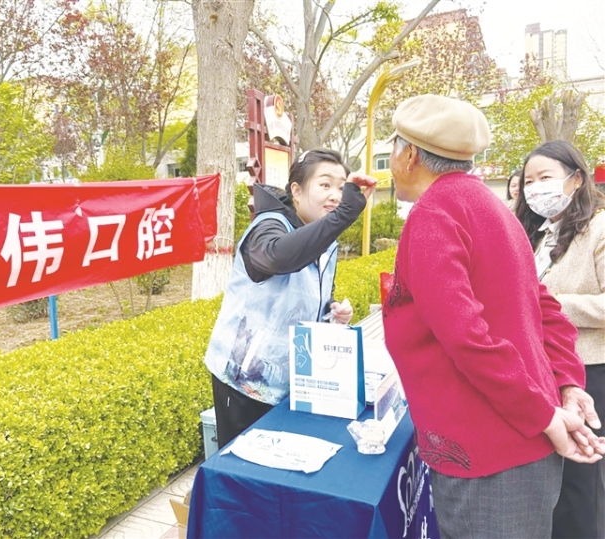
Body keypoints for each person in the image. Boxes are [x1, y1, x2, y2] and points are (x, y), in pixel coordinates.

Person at [380, 94, 605, 539]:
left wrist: (544, 414)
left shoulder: (433, 214)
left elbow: (467, 338)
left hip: (489, 453)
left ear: (410, 156)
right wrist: (566, 383)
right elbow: (543, 307)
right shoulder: (493, 208)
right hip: (524, 443)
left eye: (393, 148)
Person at [203, 149, 377, 448]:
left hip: (294, 379)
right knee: (244, 463)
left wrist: (332, 308)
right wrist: (344, 215)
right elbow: (277, 258)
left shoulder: (323, 237)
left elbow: (308, 290)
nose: (335, 195)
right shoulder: (267, 226)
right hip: (244, 379)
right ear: (296, 190)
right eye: (325, 185)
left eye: (341, 187)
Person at [515, 140, 605, 539]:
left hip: (589, 372)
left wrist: (549, 304)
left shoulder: (599, 228)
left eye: (545, 178)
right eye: (529, 181)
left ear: (576, 179)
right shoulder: (537, 234)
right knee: (555, 480)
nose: (536, 188)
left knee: (581, 485)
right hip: (545, 373)